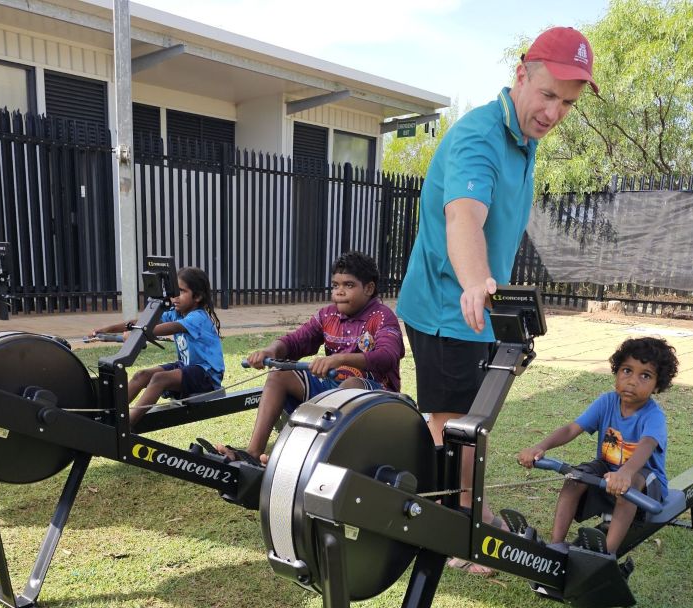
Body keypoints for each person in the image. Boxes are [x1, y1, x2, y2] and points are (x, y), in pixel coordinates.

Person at [395, 26, 599, 575]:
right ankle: (460, 522)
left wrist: (489, 289)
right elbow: (464, 215)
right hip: (447, 304)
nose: (555, 112)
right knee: (452, 418)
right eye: (549, 94)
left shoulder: (524, 139)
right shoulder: (479, 137)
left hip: (481, 302)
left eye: (568, 103)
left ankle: (457, 506)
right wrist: (473, 279)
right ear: (521, 76)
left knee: (472, 416)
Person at [220, 251, 403, 465]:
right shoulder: (327, 315)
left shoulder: (382, 316)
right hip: (334, 390)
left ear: (369, 288)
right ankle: (252, 454)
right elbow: (297, 340)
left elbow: (387, 356)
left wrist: (340, 359)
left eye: (349, 285)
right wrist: (271, 351)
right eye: (335, 285)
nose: (340, 292)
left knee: (351, 385)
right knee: (279, 376)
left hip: (377, 397)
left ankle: (318, 459)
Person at [516, 337, 679, 557]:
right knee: (574, 477)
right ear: (616, 372)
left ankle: (606, 555)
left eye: (645, 375)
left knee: (629, 485)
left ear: (658, 385)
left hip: (645, 483)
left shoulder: (653, 415)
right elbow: (572, 429)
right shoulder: (607, 402)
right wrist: (540, 446)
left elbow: (647, 445)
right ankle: (556, 546)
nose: (632, 381)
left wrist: (626, 472)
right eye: (627, 371)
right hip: (607, 471)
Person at [88, 266, 223, 428]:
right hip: (188, 367)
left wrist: (138, 333)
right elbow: (144, 323)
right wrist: (109, 329)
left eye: (182, 291)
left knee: (159, 379)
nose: (175, 297)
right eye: (175, 292)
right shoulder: (176, 312)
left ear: (198, 296)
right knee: (142, 374)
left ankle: (123, 427)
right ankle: (106, 416)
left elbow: (170, 328)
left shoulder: (198, 317)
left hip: (206, 375)